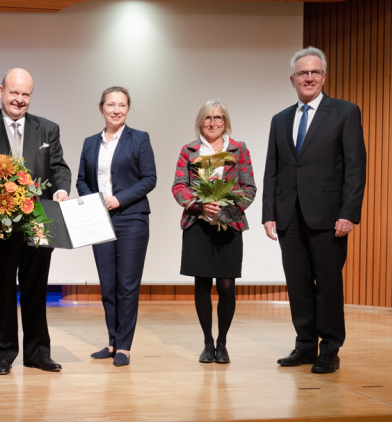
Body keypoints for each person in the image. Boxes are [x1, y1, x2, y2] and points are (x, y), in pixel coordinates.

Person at [263, 47, 366, 374]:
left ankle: (330, 348)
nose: (309, 78)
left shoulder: (345, 113)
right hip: (288, 217)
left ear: (324, 77)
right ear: (292, 79)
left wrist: (348, 212)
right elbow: (272, 169)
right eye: (303, 73)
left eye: (315, 72)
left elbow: (355, 167)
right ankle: (305, 345)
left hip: (328, 217)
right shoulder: (280, 119)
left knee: (329, 285)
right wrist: (269, 213)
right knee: (298, 284)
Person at [0, 68, 72, 375]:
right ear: (1, 90)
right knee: (1, 289)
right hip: (0, 223)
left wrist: (60, 189)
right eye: (14, 92)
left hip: (39, 221)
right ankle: (3, 354)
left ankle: (37, 353)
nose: (19, 99)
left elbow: (59, 167)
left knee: (36, 289)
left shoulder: (48, 129)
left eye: (25, 94)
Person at [76, 87, 157, 367]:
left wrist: (117, 200)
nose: (116, 110)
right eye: (111, 104)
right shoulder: (89, 143)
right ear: (101, 108)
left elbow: (149, 179)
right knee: (108, 286)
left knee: (126, 285)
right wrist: (95, 200)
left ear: (128, 109)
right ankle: (111, 341)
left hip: (131, 219)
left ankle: (124, 346)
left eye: (122, 105)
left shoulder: (139, 139)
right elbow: (81, 180)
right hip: (99, 219)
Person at [172, 99, 256, 364]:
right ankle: (208, 343)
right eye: (207, 118)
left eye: (218, 118)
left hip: (229, 223)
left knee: (227, 286)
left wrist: (226, 204)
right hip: (198, 225)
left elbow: (249, 187)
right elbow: (178, 187)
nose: (212, 123)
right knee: (202, 284)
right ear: (200, 122)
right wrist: (200, 204)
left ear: (225, 121)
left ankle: (223, 343)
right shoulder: (189, 150)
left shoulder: (238, 149)